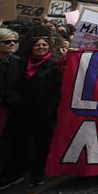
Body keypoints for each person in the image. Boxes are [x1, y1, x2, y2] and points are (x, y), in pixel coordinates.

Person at [20, 33, 62, 186]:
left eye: (44, 45)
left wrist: (50, 108)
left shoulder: (54, 63)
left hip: (45, 111)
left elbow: (58, 88)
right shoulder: (22, 63)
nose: (41, 47)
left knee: (41, 142)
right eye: (37, 45)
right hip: (25, 109)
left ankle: (38, 173)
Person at [0, 29, 24, 194]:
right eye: (7, 42)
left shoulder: (16, 62)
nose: (12, 45)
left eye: (14, 42)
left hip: (7, 109)